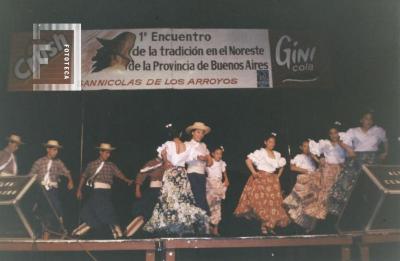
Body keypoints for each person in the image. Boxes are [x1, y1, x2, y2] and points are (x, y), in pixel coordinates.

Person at [143, 124, 210, 236]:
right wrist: (206, 157)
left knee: (169, 200)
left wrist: (165, 159)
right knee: (183, 200)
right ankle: (181, 227)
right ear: (180, 134)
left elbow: (163, 159)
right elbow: (196, 157)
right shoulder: (187, 146)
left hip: (171, 173)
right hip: (182, 174)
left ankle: (172, 227)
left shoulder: (168, 144)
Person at [328, 111, 389, 216]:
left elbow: (385, 141)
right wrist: (349, 149)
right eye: (366, 118)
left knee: (372, 185)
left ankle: (372, 211)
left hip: (372, 160)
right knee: (348, 183)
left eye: (370, 119)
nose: (368, 121)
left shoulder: (378, 130)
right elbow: (341, 141)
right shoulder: (353, 131)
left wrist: (386, 152)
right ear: (361, 120)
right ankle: (348, 212)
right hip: (357, 158)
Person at [72, 143, 133, 239]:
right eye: (106, 153)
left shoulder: (111, 165)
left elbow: (119, 173)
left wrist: (126, 180)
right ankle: (118, 234)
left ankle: (77, 233)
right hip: (97, 192)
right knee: (107, 212)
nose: (108, 155)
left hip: (107, 192)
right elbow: (84, 177)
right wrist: (79, 190)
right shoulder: (92, 164)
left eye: (109, 153)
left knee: (97, 213)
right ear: (100, 152)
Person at [234, 133, 290, 235]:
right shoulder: (261, 152)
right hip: (261, 179)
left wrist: (278, 175)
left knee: (273, 204)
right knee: (262, 203)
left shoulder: (277, 154)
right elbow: (248, 160)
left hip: (272, 181)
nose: (272, 144)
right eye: (270, 142)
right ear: (265, 142)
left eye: (273, 142)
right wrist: (254, 172)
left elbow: (282, 165)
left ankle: (268, 227)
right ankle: (265, 226)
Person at [308, 121, 354, 219]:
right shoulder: (325, 143)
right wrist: (319, 160)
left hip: (340, 169)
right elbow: (313, 152)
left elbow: (351, 155)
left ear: (338, 133)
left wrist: (341, 143)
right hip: (328, 170)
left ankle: (335, 216)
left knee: (338, 192)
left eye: (335, 132)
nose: (334, 135)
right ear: (329, 135)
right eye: (331, 133)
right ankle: (323, 215)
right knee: (326, 190)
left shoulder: (343, 143)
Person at [29, 140, 74, 225]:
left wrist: (70, 181)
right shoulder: (40, 161)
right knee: (44, 208)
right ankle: (38, 211)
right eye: (54, 149)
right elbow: (31, 174)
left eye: (57, 150)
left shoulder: (58, 162)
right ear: (47, 149)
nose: (56, 152)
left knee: (56, 204)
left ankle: (61, 222)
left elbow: (66, 172)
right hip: (41, 188)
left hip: (52, 188)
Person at [283, 140, 321, 232]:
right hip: (304, 181)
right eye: (304, 146)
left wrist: (314, 157)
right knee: (301, 203)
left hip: (313, 182)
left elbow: (321, 165)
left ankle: (309, 226)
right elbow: (292, 167)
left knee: (311, 204)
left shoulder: (313, 157)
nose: (307, 148)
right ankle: (298, 225)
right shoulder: (299, 157)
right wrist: (304, 170)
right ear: (301, 147)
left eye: (309, 147)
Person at [125, 157, 164, 237]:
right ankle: (130, 232)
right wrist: (137, 189)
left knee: (159, 214)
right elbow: (141, 174)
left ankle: (156, 235)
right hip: (153, 190)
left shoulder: (167, 163)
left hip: (163, 191)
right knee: (145, 213)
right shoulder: (152, 163)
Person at [184, 122, 213, 214]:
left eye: (202, 133)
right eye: (198, 132)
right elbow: (184, 159)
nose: (200, 135)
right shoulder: (187, 144)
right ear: (193, 132)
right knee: (195, 199)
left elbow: (210, 163)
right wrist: (195, 157)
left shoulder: (203, 146)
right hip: (192, 174)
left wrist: (206, 159)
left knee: (201, 198)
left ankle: (200, 222)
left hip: (201, 175)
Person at [206, 145, 229, 236]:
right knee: (209, 205)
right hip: (210, 184)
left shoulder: (222, 163)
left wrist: (226, 179)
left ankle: (215, 228)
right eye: (217, 154)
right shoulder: (209, 162)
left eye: (221, 154)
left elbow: (224, 172)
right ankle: (207, 227)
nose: (219, 155)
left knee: (217, 207)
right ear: (212, 154)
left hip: (218, 184)